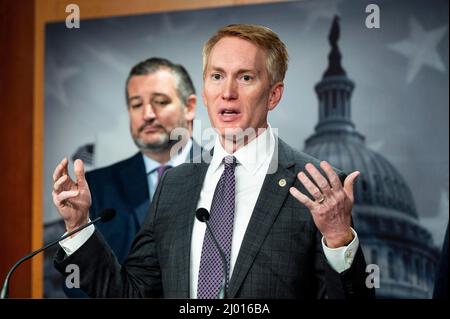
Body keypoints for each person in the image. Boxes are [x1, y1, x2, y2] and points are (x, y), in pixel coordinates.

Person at [52, 24, 374, 299]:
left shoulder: (315, 187)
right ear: (204, 94)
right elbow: (130, 292)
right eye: (217, 76)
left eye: (245, 77)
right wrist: (79, 226)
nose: (228, 92)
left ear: (274, 94)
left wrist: (338, 240)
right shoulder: (175, 185)